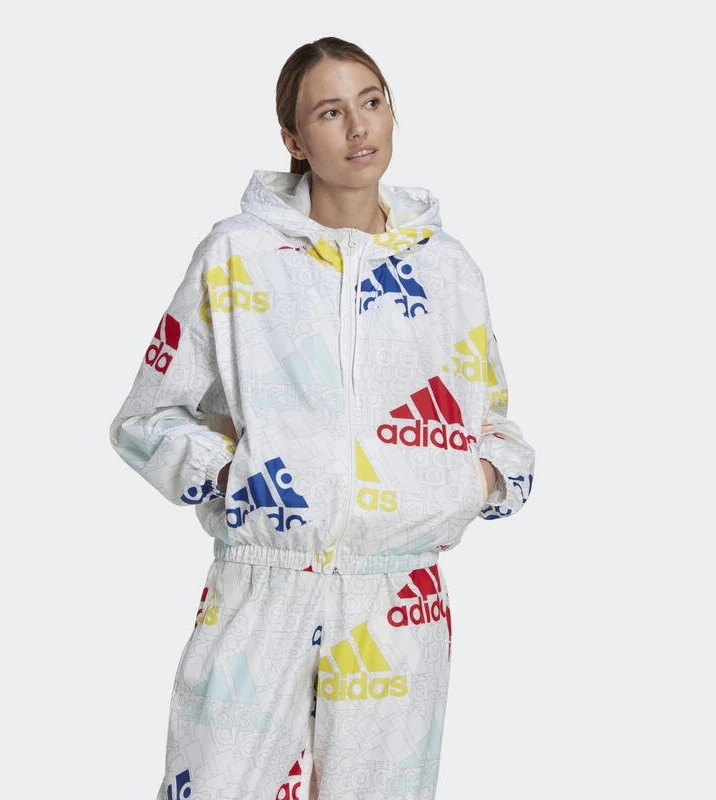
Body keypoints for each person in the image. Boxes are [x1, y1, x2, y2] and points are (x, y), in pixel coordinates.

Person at [110, 36, 534, 800]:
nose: (359, 127)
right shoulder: (236, 255)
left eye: (372, 102)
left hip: (396, 604)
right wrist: (242, 482)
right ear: (295, 140)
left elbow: (497, 428)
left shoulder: (447, 271)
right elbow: (147, 419)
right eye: (331, 113)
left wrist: (465, 484)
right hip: (261, 591)